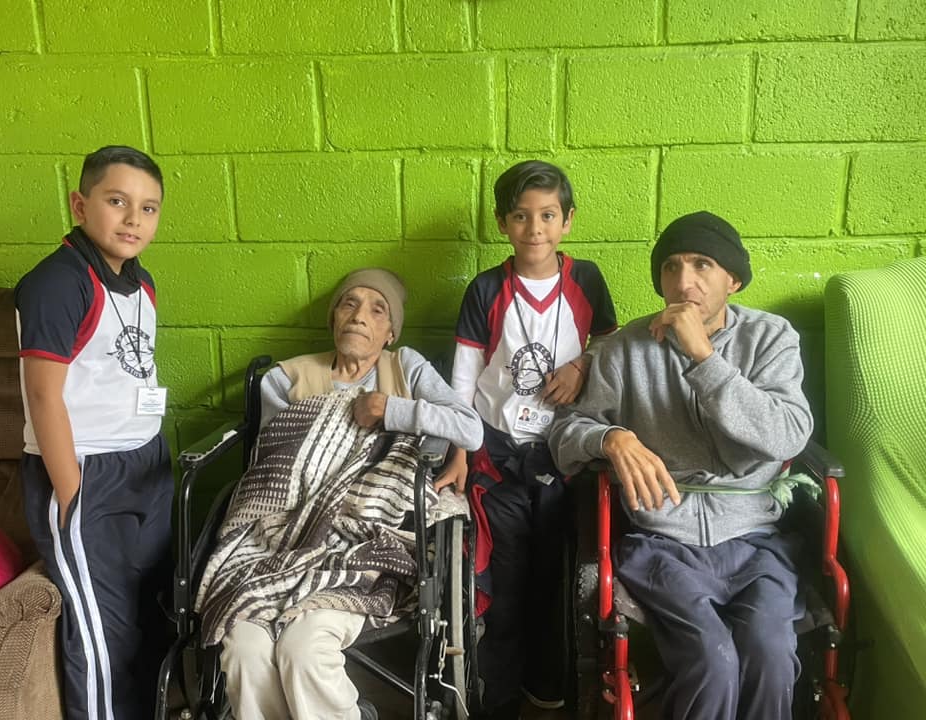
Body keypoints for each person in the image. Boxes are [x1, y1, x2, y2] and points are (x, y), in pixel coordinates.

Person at [549, 211, 815, 720]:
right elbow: (565, 433)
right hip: (662, 543)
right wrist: (610, 438)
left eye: (701, 265)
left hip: (756, 540)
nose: (683, 280)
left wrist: (704, 358)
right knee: (711, 661)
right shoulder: (627, 348)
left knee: (771, 653)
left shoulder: (771, 338)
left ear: (733, 280)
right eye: (671, 266)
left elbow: (788, 433)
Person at [205, 268, 483, 720]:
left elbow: (469, 429)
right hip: (280, 539)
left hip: (363, 543)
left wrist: (391, 409)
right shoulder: (284, 380)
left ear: (390, 333)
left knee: (304, 649)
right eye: (349, 304)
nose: (359, 316)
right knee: (244, 648)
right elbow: (275, 473)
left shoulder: (405, 367)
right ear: (333, 318)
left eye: (377, 310)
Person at [449, 160, 617, 718]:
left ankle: (547, 690)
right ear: (502, 223)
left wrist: (582, 365)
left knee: (558, 578)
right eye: (521, 216)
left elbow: (612, 346)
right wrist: (458, 449)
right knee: (504, 579)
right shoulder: (486, 288)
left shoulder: (586, 280)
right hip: (497, 455)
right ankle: (497, 695)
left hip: (563, 454)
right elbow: (464, 379)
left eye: (547, 215)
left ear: (568, 220)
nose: (534, 228)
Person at [14, 145, 173, 720]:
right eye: (117, 201)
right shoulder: (57, 283)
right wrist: (70, 491)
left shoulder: (141, 282)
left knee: (151, 606)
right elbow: (43, 395)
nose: (134, 219)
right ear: (80, 206)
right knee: (105, 629)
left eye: (148, 208)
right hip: (87, 471)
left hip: (145, 464)